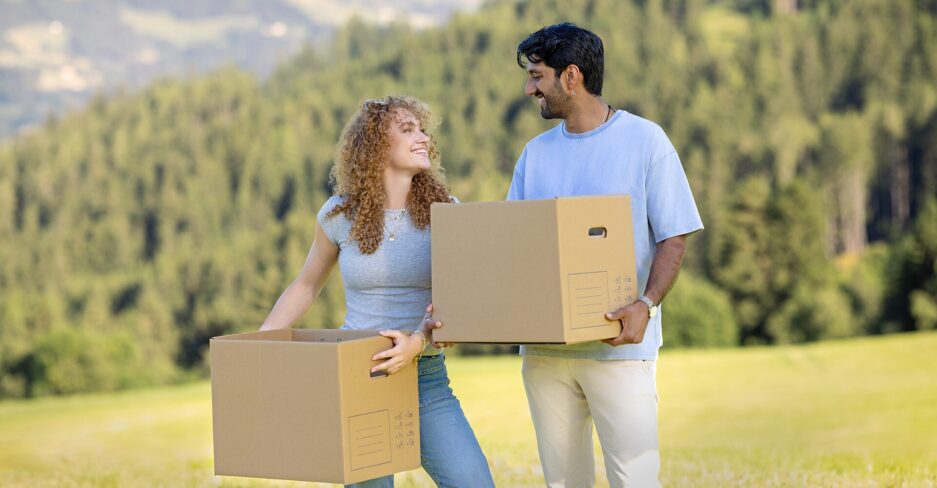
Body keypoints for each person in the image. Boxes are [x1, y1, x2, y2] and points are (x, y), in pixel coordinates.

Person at [259, 95, 494, 488]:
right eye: (407, 130)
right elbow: (306, 284)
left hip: (425, 378)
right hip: (357, 376)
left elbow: (461, 300)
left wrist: (418, 342)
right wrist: (262, 344)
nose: (422, 137)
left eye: (422, 129)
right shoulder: (338, 214)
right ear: (376, 145)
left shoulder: (447, 212)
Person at [509, 23, 704, 487]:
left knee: (635, 480)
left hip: (620, 349)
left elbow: (674, 235)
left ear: (571, 76)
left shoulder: (645, 141)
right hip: (546, 355)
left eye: (538, 76)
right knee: (564, 482)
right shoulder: (534, 155)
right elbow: (512, 245)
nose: (528, 88)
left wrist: (647, 304)